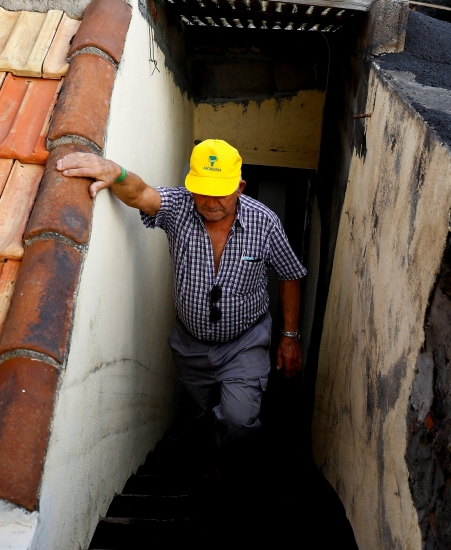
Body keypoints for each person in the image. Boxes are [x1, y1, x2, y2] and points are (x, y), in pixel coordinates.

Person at [56, 139, 306, 448]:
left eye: (221, 193)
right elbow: (141, 193)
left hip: (245, 342)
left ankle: (231, 470)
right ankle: (209, 459)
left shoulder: (264, 222)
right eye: (203, 191)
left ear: (240, 187)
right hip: (190, 345)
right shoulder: (179, 206)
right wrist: (116, 172)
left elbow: (290, 273)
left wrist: (290, 336)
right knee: (200, 413)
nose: (211, 202)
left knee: (239, 419)